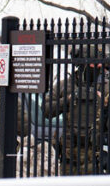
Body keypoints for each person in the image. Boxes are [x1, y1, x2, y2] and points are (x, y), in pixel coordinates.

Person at [43, 45, 105, 175]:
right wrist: (67, 100)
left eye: (100, 67)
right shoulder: (65, 85)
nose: (97, 70)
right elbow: (46, 110)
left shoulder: (106, 87)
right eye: (93, 67)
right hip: (69, 155)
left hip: (94, 154)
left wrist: (104, 102)